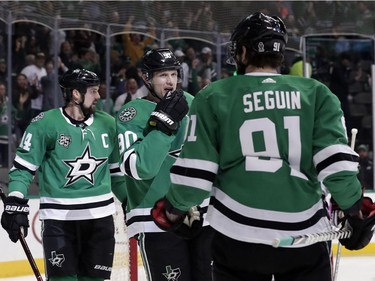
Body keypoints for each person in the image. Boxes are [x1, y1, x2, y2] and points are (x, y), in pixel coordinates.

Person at [150, 12, 375, 281]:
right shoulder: (317, 93)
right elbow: (336, 165)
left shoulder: (213, 95)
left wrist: (174, 209)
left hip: (237, 237)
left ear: (243, 52)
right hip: (304, 235)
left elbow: (196, 175)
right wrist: (355, 209)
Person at [1, 68, 126, 281]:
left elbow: (117, 174)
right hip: (59, 222)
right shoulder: (44, 124)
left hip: (100, 221)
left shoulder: (108, 124)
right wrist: (15, 201)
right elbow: (23, 169)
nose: (98, 96)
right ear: (75, 94)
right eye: (93, 91)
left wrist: (129, 203)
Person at [116, 48, 213, 281]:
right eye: (162, 75)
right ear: (146, 78)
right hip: (156, 219)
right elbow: (140, 168)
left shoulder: (191, 102)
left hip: (203, 214)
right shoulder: (131, 114)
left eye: (173, 74)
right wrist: (163, 127)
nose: (170, 81)